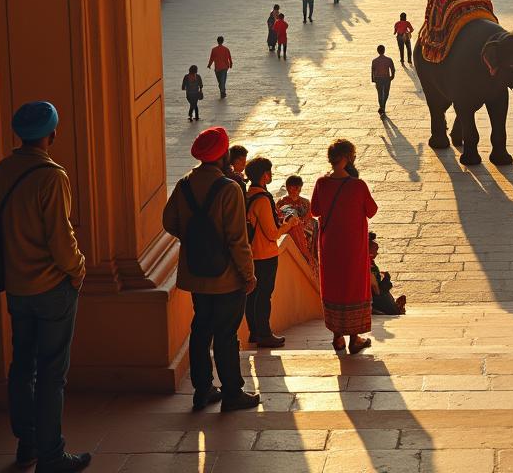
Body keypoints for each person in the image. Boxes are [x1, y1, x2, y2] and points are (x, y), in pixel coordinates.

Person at [0, 102, 90, 472]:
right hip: (51, 288)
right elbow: (61, 239)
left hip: (18, 288)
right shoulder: (52, 176)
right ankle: (51, 454)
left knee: (23, 365)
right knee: (52, 372)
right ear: (52, 134)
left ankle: (27, 442)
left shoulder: (1, 172)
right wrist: (77, 270)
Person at [162, 125, 259, 414]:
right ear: (223, 155)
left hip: (196, 275)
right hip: (227, 277)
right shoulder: (229, 188)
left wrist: (194, 238)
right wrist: (249, 274)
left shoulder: (184, 185)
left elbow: (169, 221)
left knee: (201, 330)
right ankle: (232, 392)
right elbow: (237, 240)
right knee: (226, 334)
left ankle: (202, 390)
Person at [311, 139, 378, 353]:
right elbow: (372, 210)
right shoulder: (358, 186)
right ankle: (355, 337)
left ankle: (337, 337)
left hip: (330, 246)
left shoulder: (322, 183)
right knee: (353, 287)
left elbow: (314, 210)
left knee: (335, 287)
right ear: (349, 157)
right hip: (353, 247)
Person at [244, 157, 298, 348]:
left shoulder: (247, 194)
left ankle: (254, 332)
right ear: (265, 176)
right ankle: (264, 334)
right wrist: (289, 224)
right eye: (270, 172)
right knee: (264, 294)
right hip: (265, 254)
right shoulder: (262, 200)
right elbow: (272, 233)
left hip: (251, 253)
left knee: (252, 295)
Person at [370, 238, 406, 315]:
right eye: (375, 250)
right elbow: (373, 284)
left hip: (375, 292)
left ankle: (394, 305)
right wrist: (379, 293)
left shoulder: (370, 261)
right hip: (374, 294)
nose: (377, 253)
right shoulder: (367, 263)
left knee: (385, 278)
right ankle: (395, 308)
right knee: (394, 311)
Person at [371, 45, 396, 115]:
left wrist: (373, 79)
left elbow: (372, 71)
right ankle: (383, 107)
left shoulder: (374, 61)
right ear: (384, 50)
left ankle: (381, 107)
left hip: (378, 78)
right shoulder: (389, 60)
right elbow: (393, 69)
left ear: (377, 51)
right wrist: (392, 77)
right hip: (386, 78)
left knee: (380, 94)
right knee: (386, 93)